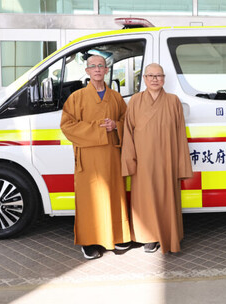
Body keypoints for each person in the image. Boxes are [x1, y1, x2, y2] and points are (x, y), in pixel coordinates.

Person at [60, 55, 131, 260]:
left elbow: (126, 120)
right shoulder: (77, 97)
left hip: (111, 155)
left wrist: (115, 126)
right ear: (87, 71)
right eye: (93, 66)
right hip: (88, 156)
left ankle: (116, 236)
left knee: (113, 195)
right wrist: (98, 130)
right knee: (90, 199)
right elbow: (67, 126)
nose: (98, 69)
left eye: (101, 66)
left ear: (107, 71)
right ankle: (90, 242)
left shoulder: (116, 97)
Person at [121, 63, 193, 254]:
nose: (155, 79)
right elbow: (128, 133)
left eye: (159, 76)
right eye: (150, 76)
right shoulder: (135, 101)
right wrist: (130, 160)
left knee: (166, 198)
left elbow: (180, 134)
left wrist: (180, 164)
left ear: (164, 79)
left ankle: (169, 235)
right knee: (145, 199)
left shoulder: (173, 101)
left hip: (167, 160)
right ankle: (149, 237)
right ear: (144, 79)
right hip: (143, 161)